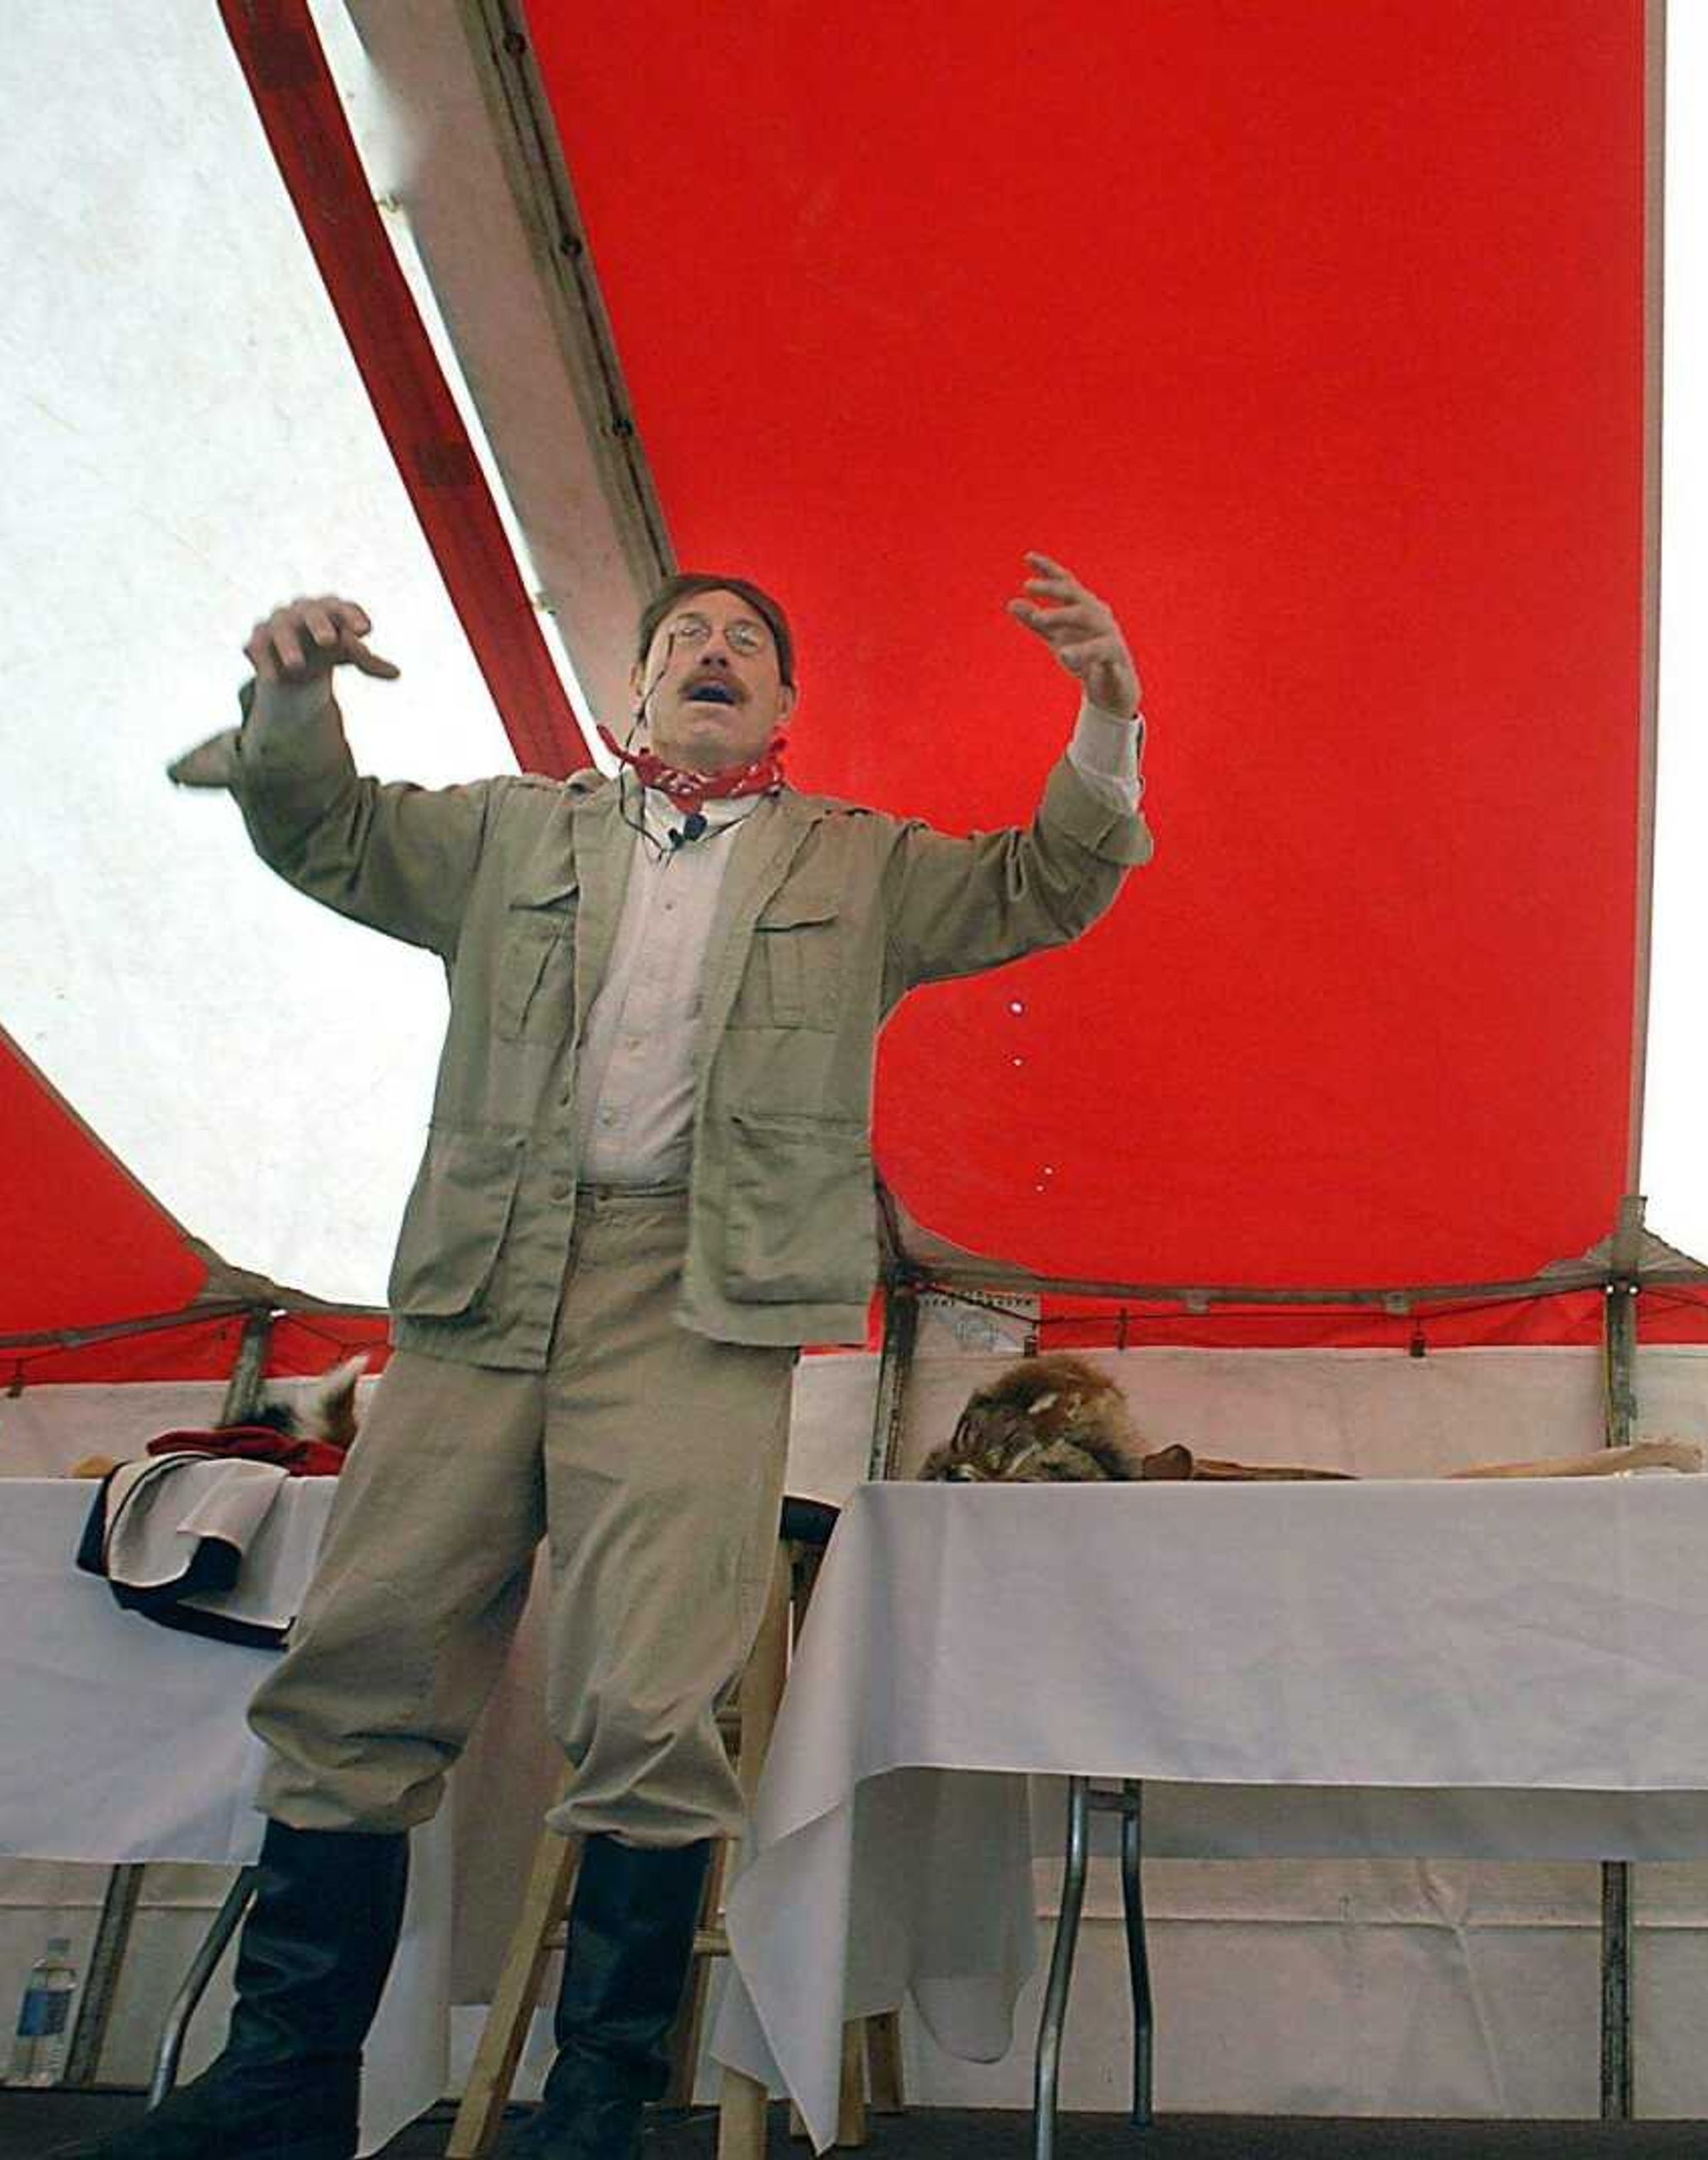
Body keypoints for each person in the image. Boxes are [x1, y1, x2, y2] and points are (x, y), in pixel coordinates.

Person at [68, 556, 1153, 2160]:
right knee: (362, 1653)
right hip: (481, 1274)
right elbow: (329, 834)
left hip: (699, 1296)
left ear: (787, 706)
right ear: (626, 693)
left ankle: (593, 2108)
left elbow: (1043, 883)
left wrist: (1110, 711)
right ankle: (281, 2081)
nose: (714, 656)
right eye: (682, 640)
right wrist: (292, 699)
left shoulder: (858, 868)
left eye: (748, 647)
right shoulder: (511, 830)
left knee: (653, 1695)